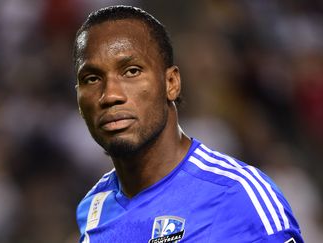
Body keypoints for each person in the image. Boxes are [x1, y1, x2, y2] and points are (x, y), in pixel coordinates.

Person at [73, 5, 303, 243]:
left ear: (171, 83)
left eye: (131, 71)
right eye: (92, 78)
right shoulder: (93, 209)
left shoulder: (237, 195)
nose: (110, 95)